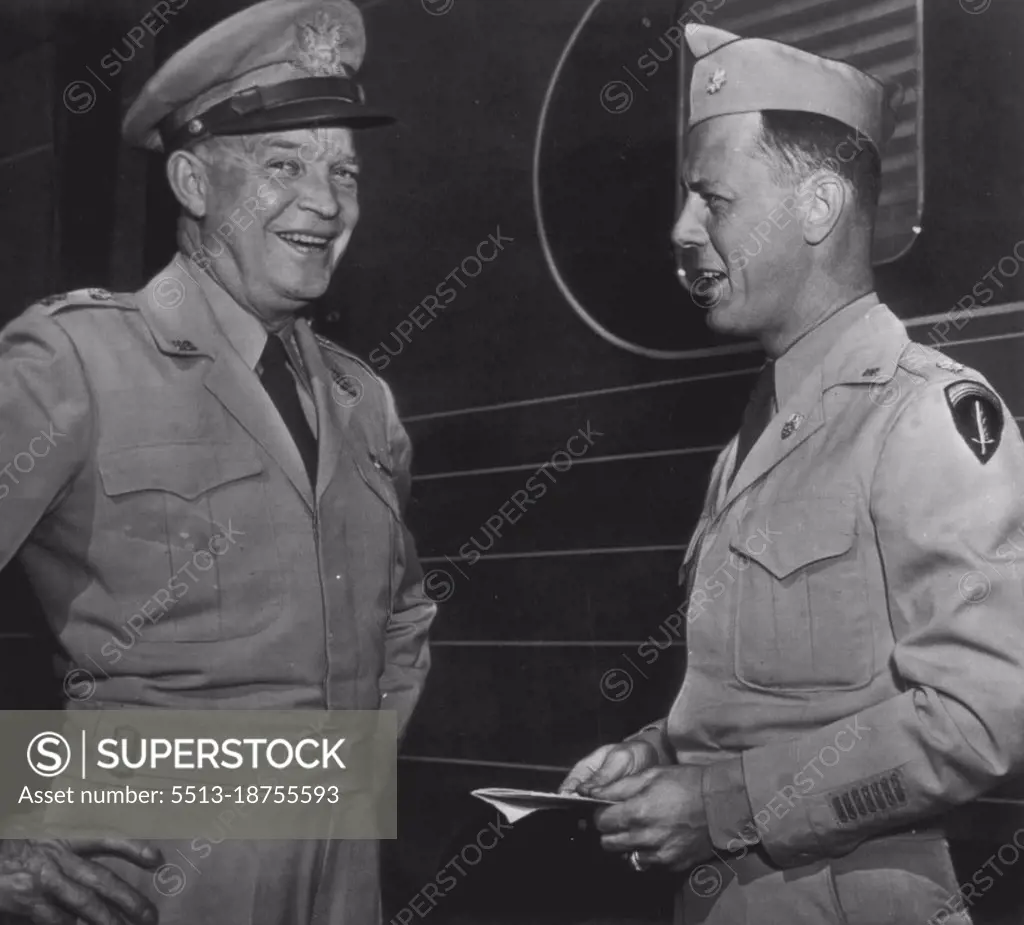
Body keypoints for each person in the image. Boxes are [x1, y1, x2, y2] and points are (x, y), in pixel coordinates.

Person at [562, 22, 1024, 925]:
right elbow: (769, 704)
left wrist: (721, 804)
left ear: (816, 208)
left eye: (713, 200)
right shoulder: (755, 436)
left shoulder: (925, 415)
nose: (681, 230)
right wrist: (657, 756)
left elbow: (982, 717)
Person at [0, 1, 435, 922]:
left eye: (343, 171)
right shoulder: (74, 361)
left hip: (344, 883)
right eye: (284, 165)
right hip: (144, 883)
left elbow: (403, 621)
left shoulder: (365, 403)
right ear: (193, 181)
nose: (324, 201)